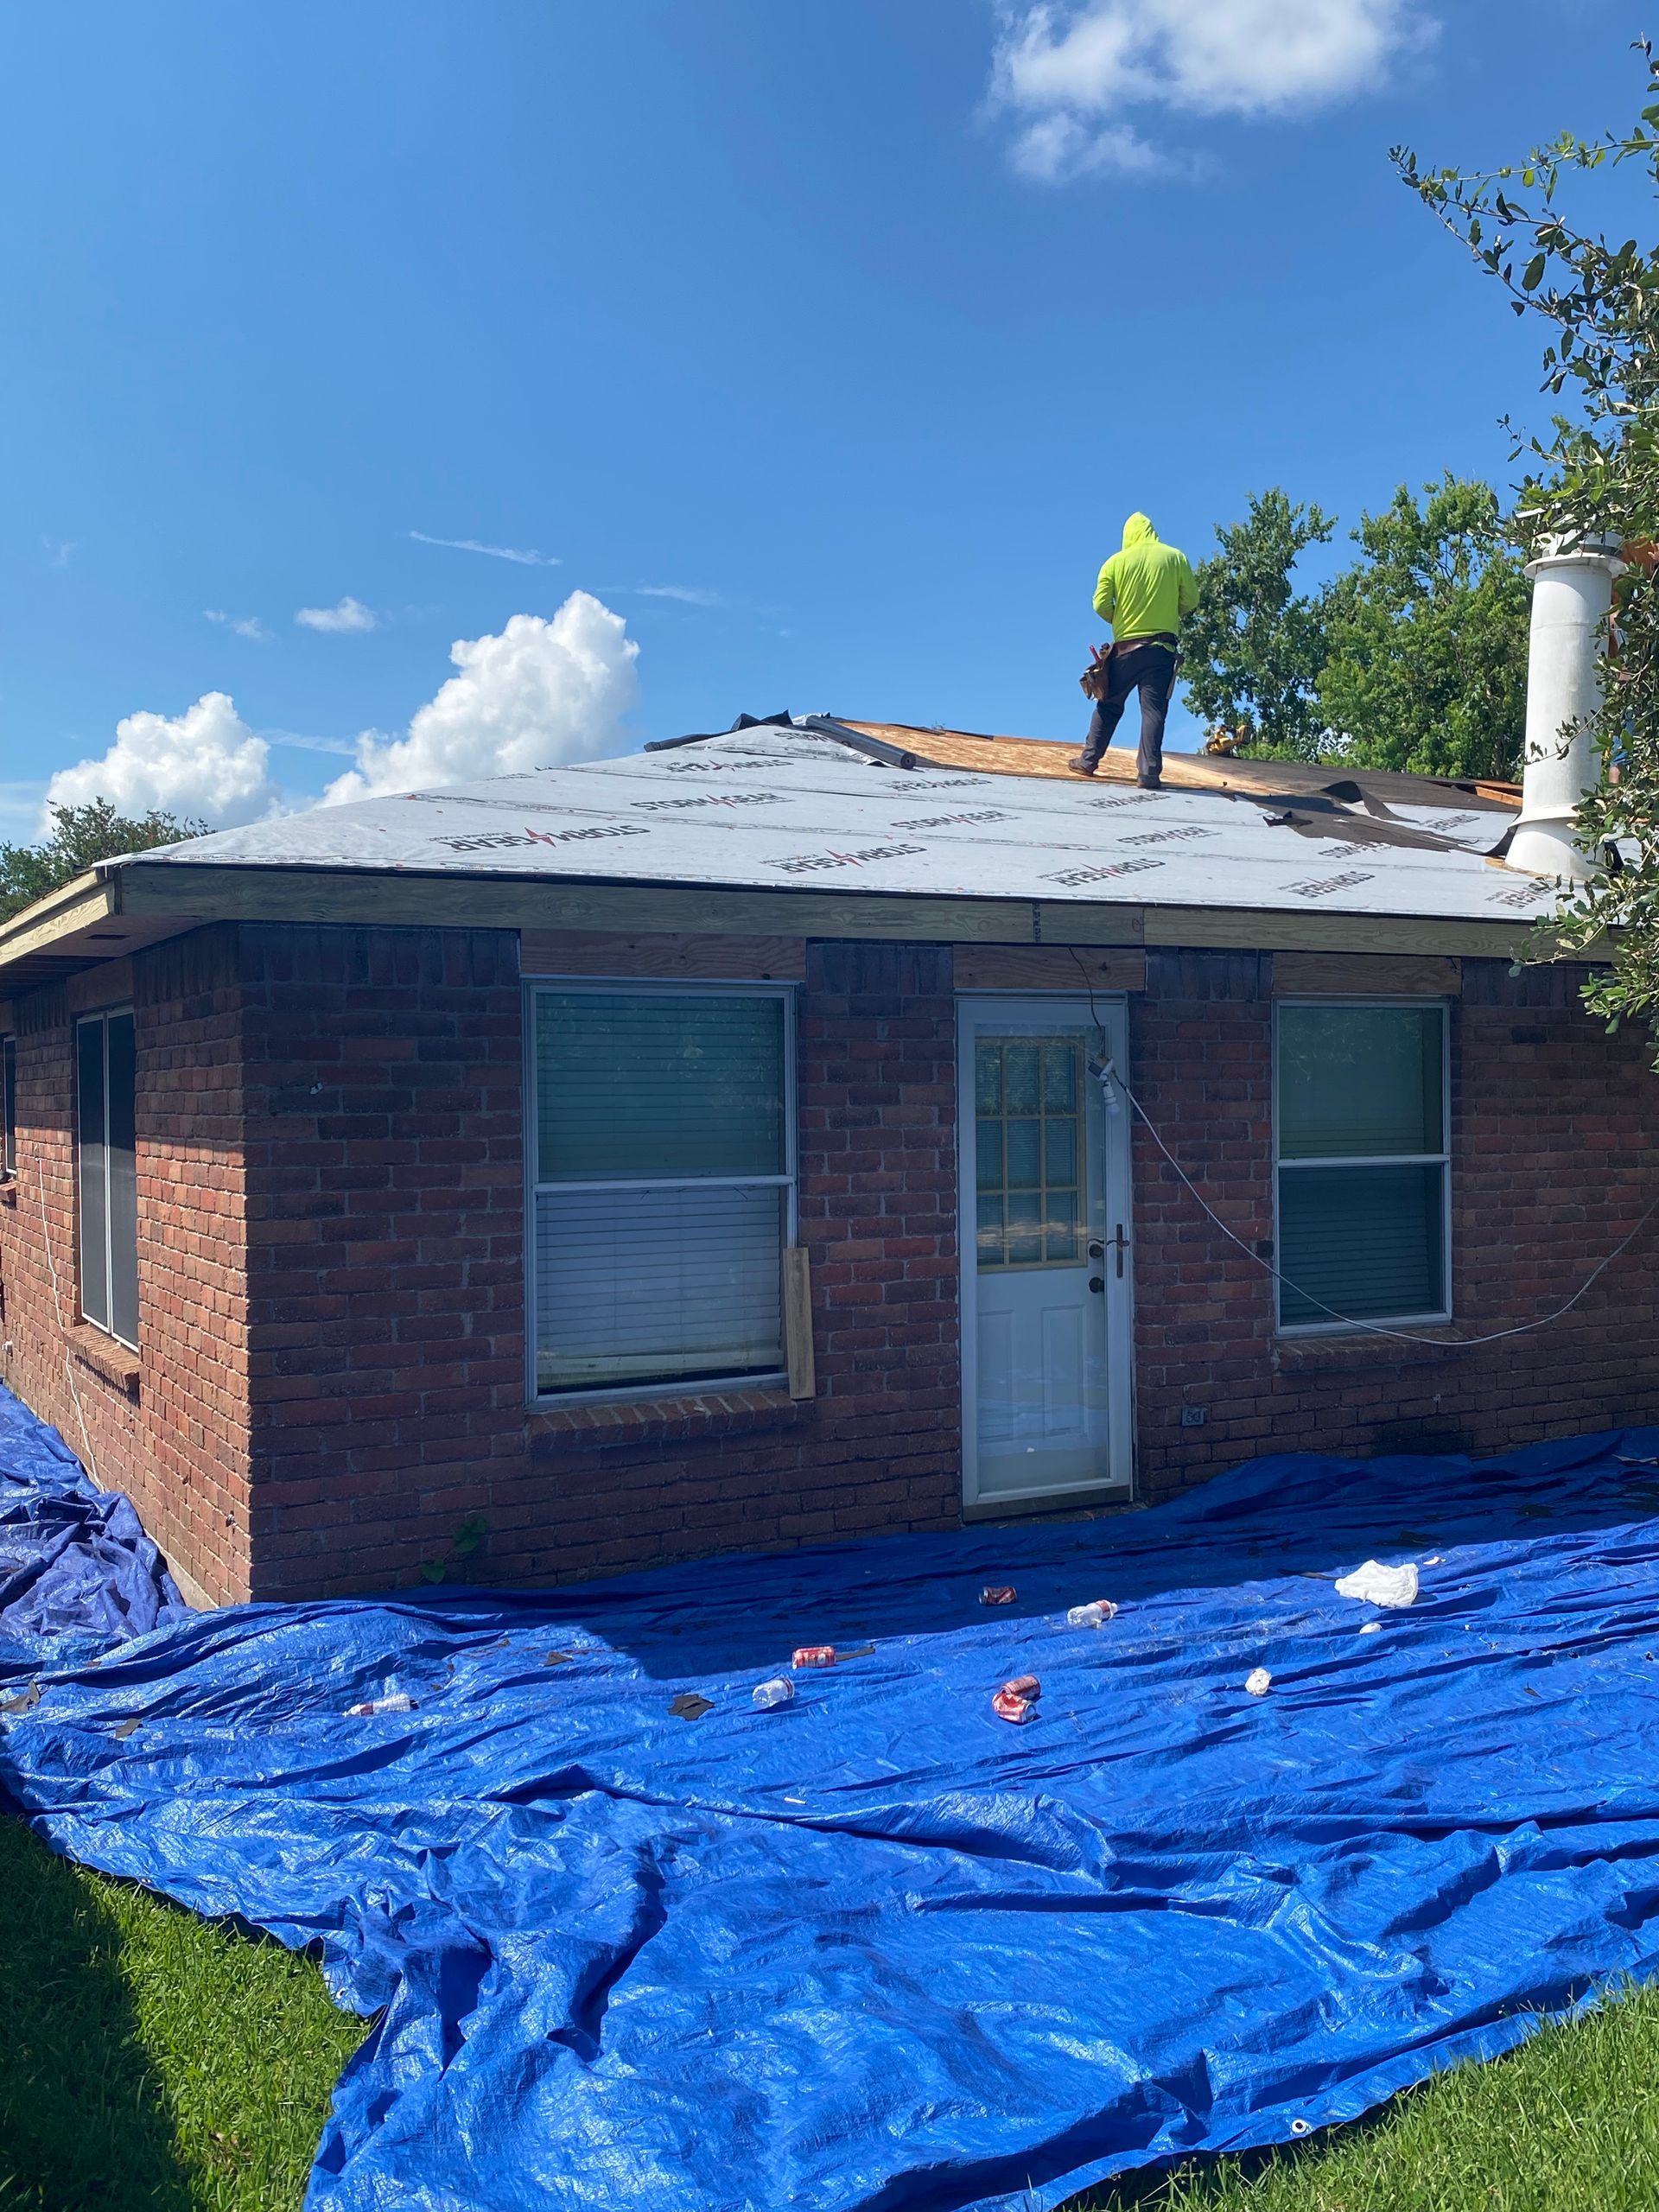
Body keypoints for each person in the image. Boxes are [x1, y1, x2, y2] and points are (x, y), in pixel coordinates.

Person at [1072, 512, 1198, 789]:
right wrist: (1164, 610)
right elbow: (1191, 600)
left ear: (1127, 536)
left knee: (1109, 704)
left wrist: (1120, 619)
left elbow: (1101, 604)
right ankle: (1149, 774)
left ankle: (1088, 761)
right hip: (1161, 648)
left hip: (1126, 649)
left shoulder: (1115, 563)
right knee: (1153, 711)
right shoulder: (1175, 557)